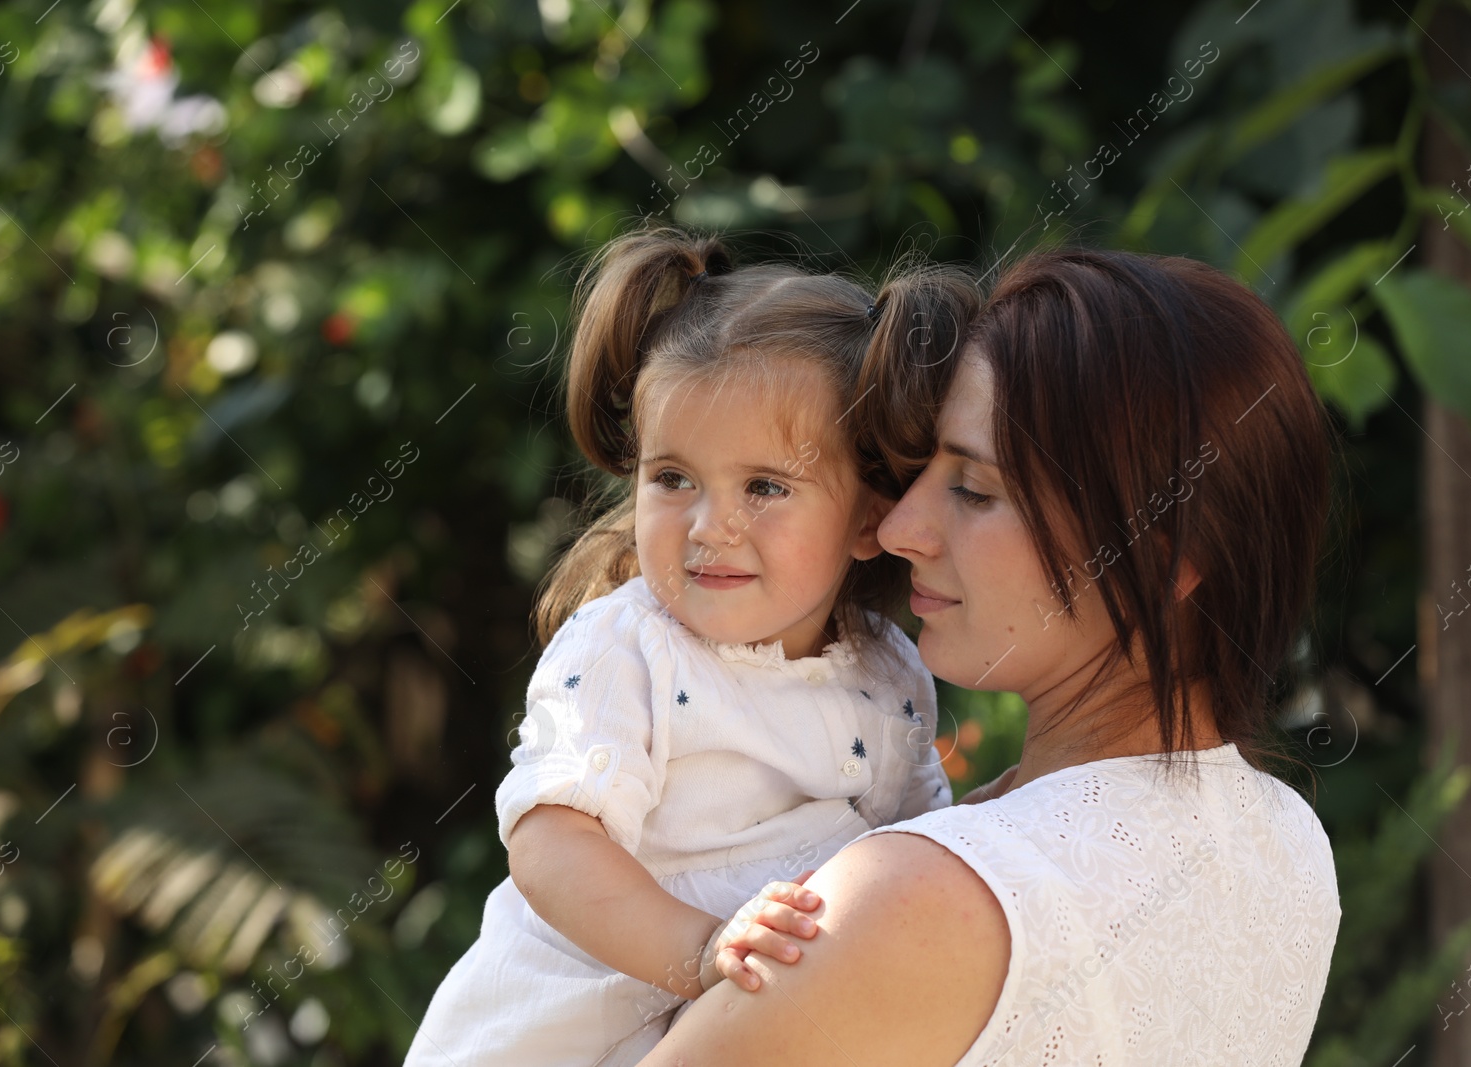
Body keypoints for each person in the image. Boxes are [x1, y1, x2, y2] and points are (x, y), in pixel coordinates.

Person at [639, 248, 1343, 1066]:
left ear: (1162, 560)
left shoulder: (915, 897)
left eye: (974, 491)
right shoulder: (1289, 850)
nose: (900, 530)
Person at [403, 228, 982, 1067]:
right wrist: (701, 949)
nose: (710, 526)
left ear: (867, 517)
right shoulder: (626, 647)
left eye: (765, 487)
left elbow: (921, 846)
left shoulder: (889, 671)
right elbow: (550, 842)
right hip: (553, 1038)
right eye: (672, 478)